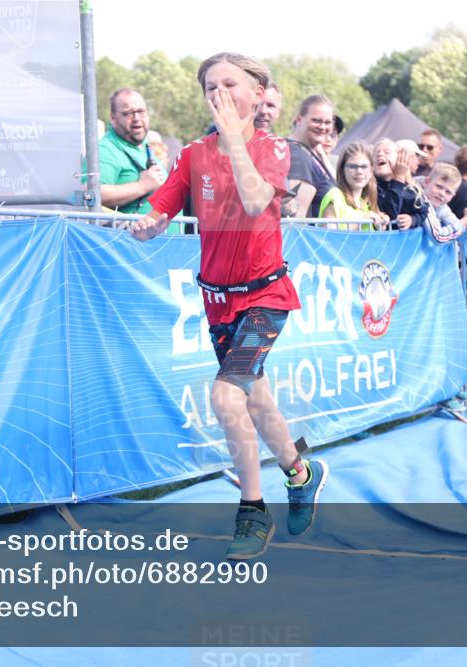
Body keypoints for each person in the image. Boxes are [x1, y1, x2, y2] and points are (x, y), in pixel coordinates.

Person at [131, 52, 328, 559]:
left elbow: (257, 199)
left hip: (266, 296)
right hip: (218, 299)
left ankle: (253, 510)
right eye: (210, 87)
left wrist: (234, 139)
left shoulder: (276, 148)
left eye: (230, 84)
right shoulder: (193, 153)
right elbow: (162, 209)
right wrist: (149, 226)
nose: (218, 93)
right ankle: (301, 474)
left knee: (224, 397)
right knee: (256, 402)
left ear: (258, 94)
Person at [98, 88, 167, 216]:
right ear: (113, 118)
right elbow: (93, 194)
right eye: (128, 113)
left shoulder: (144, 146)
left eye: (141, 111)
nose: (136, 118)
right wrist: (142, 186)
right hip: (129, 230)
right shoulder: (105, 149)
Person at [283, 95, 337, 218]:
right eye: (316, 120)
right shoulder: (298, 155)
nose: (322, 127)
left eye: (328, 122)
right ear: (299, 119)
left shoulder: (309, 152)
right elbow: (295, 217)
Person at [319, 141, 388, 231]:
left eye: (364, 167)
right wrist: (362, 221)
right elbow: (329, 235)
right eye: (352, 166)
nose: (359, 171)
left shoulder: (364, 204)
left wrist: (380, 222)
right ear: (342, 170)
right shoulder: (335, 195)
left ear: (371, 171)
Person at [422, 163, 467, 243]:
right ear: (426, 182)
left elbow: (462, 240)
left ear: (452, 196)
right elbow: (438, 237)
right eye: (439, 186)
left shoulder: (443, 208)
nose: (442, 193)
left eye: (448, 192)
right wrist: (465, 221)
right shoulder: (421, 201)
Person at [373, 139, 428, 229]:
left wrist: (412, 219)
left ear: (399, 160)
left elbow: (423, 212)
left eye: (387, 152)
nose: (380, 154)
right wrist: (398, 179)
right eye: (376, 154)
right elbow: (391, 215)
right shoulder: (372, 187)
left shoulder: (410, 188)